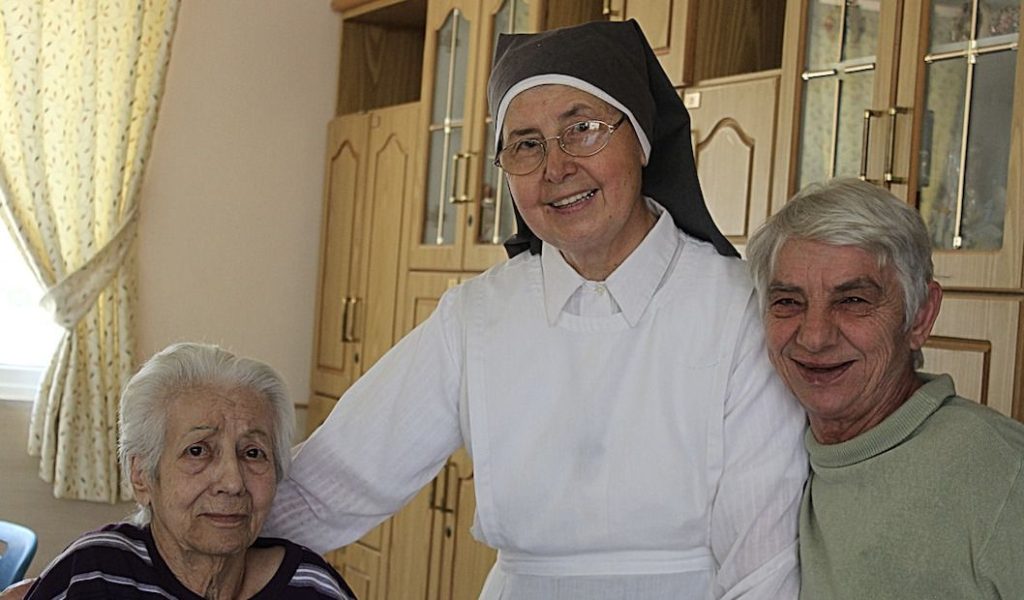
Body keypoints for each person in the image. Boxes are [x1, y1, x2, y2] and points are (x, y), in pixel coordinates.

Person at [264, 19, 807, 599]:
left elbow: (761, 565)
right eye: (525, 144)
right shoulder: (476, 317)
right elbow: (338, 481)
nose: (556, 167)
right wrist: (179, 539)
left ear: (642, 138)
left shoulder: (740, 308)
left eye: (583, 129)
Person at [746, 178, 1024, 599]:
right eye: (788, 302)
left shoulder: (1003, 473)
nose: (814, 337)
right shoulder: (771, 446)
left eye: (853, 300)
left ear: (920, 317)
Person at [17, 343, 356, 600]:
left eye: (253, 453)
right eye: (198, 451)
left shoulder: (312, 588)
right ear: (142, 476)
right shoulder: (94, 575)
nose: (233, 482)